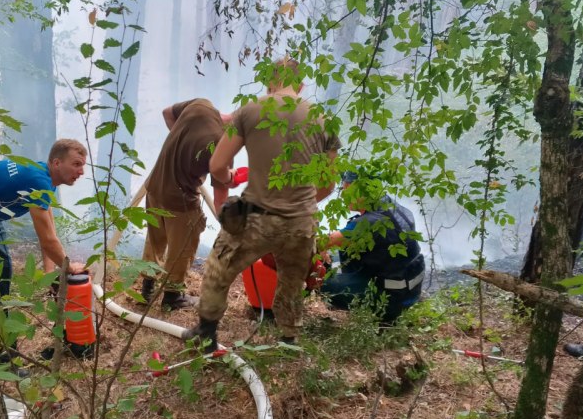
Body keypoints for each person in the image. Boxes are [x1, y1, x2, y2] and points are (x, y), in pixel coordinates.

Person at [184, 58, 340, 351]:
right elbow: (328, 185)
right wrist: (300, 204)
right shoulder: (323, 120)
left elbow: (217, 164)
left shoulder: (252, 110)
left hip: (256, 217)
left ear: (270, 82)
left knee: (219, 269)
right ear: (301, 84)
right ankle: (289, 340)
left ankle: (206, 335)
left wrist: (228, 178)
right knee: (292, 283)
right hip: (301, 222)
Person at [0, 139, 88, 343]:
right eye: (76, 164)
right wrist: (68, 267)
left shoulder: (44, 177)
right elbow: (48, 240)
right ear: (57, 163)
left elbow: (49, 232)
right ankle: (1, 353)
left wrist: (50, 272)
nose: (81, 171)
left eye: (82, 165)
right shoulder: (37, 180)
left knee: (3, 273)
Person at [139, 98, 231, 310]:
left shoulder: (201, 105)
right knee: (182, 247)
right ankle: (172, 297)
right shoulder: (221, 146)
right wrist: (229, 229)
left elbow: (167, 111)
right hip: (180, 199)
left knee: (155, 238)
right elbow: (220, 200)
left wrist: (180, 149)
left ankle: (147, 287)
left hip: (155, 185)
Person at [319, 171, 425, 323]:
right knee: (338, 253)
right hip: (407, 290)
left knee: (320, 278)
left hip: (390, 300)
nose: (342, 196)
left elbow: (321, 242)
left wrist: (321, 247)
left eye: (346, 189)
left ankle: (379, 314)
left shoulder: (369, 223)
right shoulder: (390, 206)